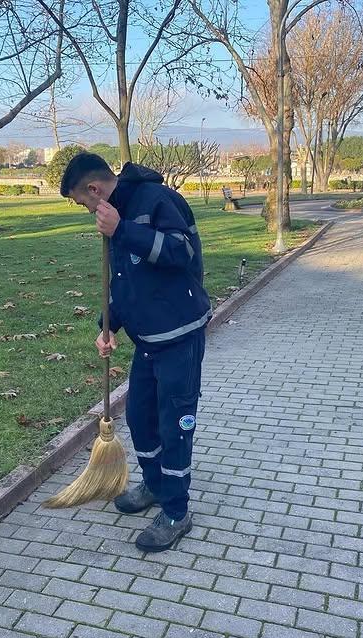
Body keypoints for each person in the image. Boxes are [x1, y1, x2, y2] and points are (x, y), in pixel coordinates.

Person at [60, 153, 211, 553]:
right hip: (147, 341)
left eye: (83, 202)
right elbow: (123, 281)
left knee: (175, 423)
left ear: (94, 188)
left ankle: (177, 512)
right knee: (142, 419)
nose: (86, 210)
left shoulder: (157, 200)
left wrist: (123, 230)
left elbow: (183, 254)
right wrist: (108, 326)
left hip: (179, 334)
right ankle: (157, 486)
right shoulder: (116, 216)